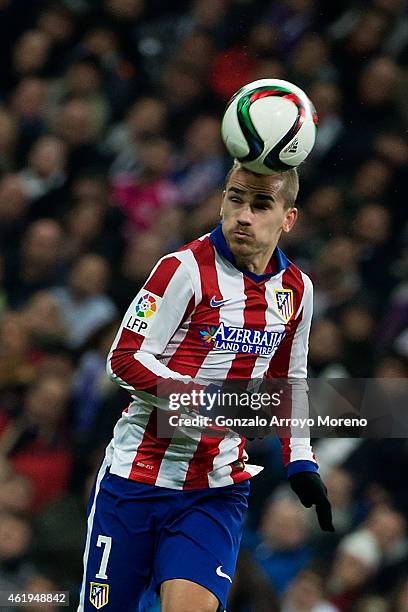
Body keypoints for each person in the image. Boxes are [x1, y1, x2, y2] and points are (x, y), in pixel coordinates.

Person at [78, 161, 334, 612]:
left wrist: (301, 462)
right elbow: (123, 358)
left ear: (288, 219)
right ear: (221, 201)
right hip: (135, 478)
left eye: (261, 204)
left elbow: (289, 379)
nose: (244, 215)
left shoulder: (297, 289)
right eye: (235, 199)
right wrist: (194, 394)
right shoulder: (181, 269)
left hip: (214, 487)